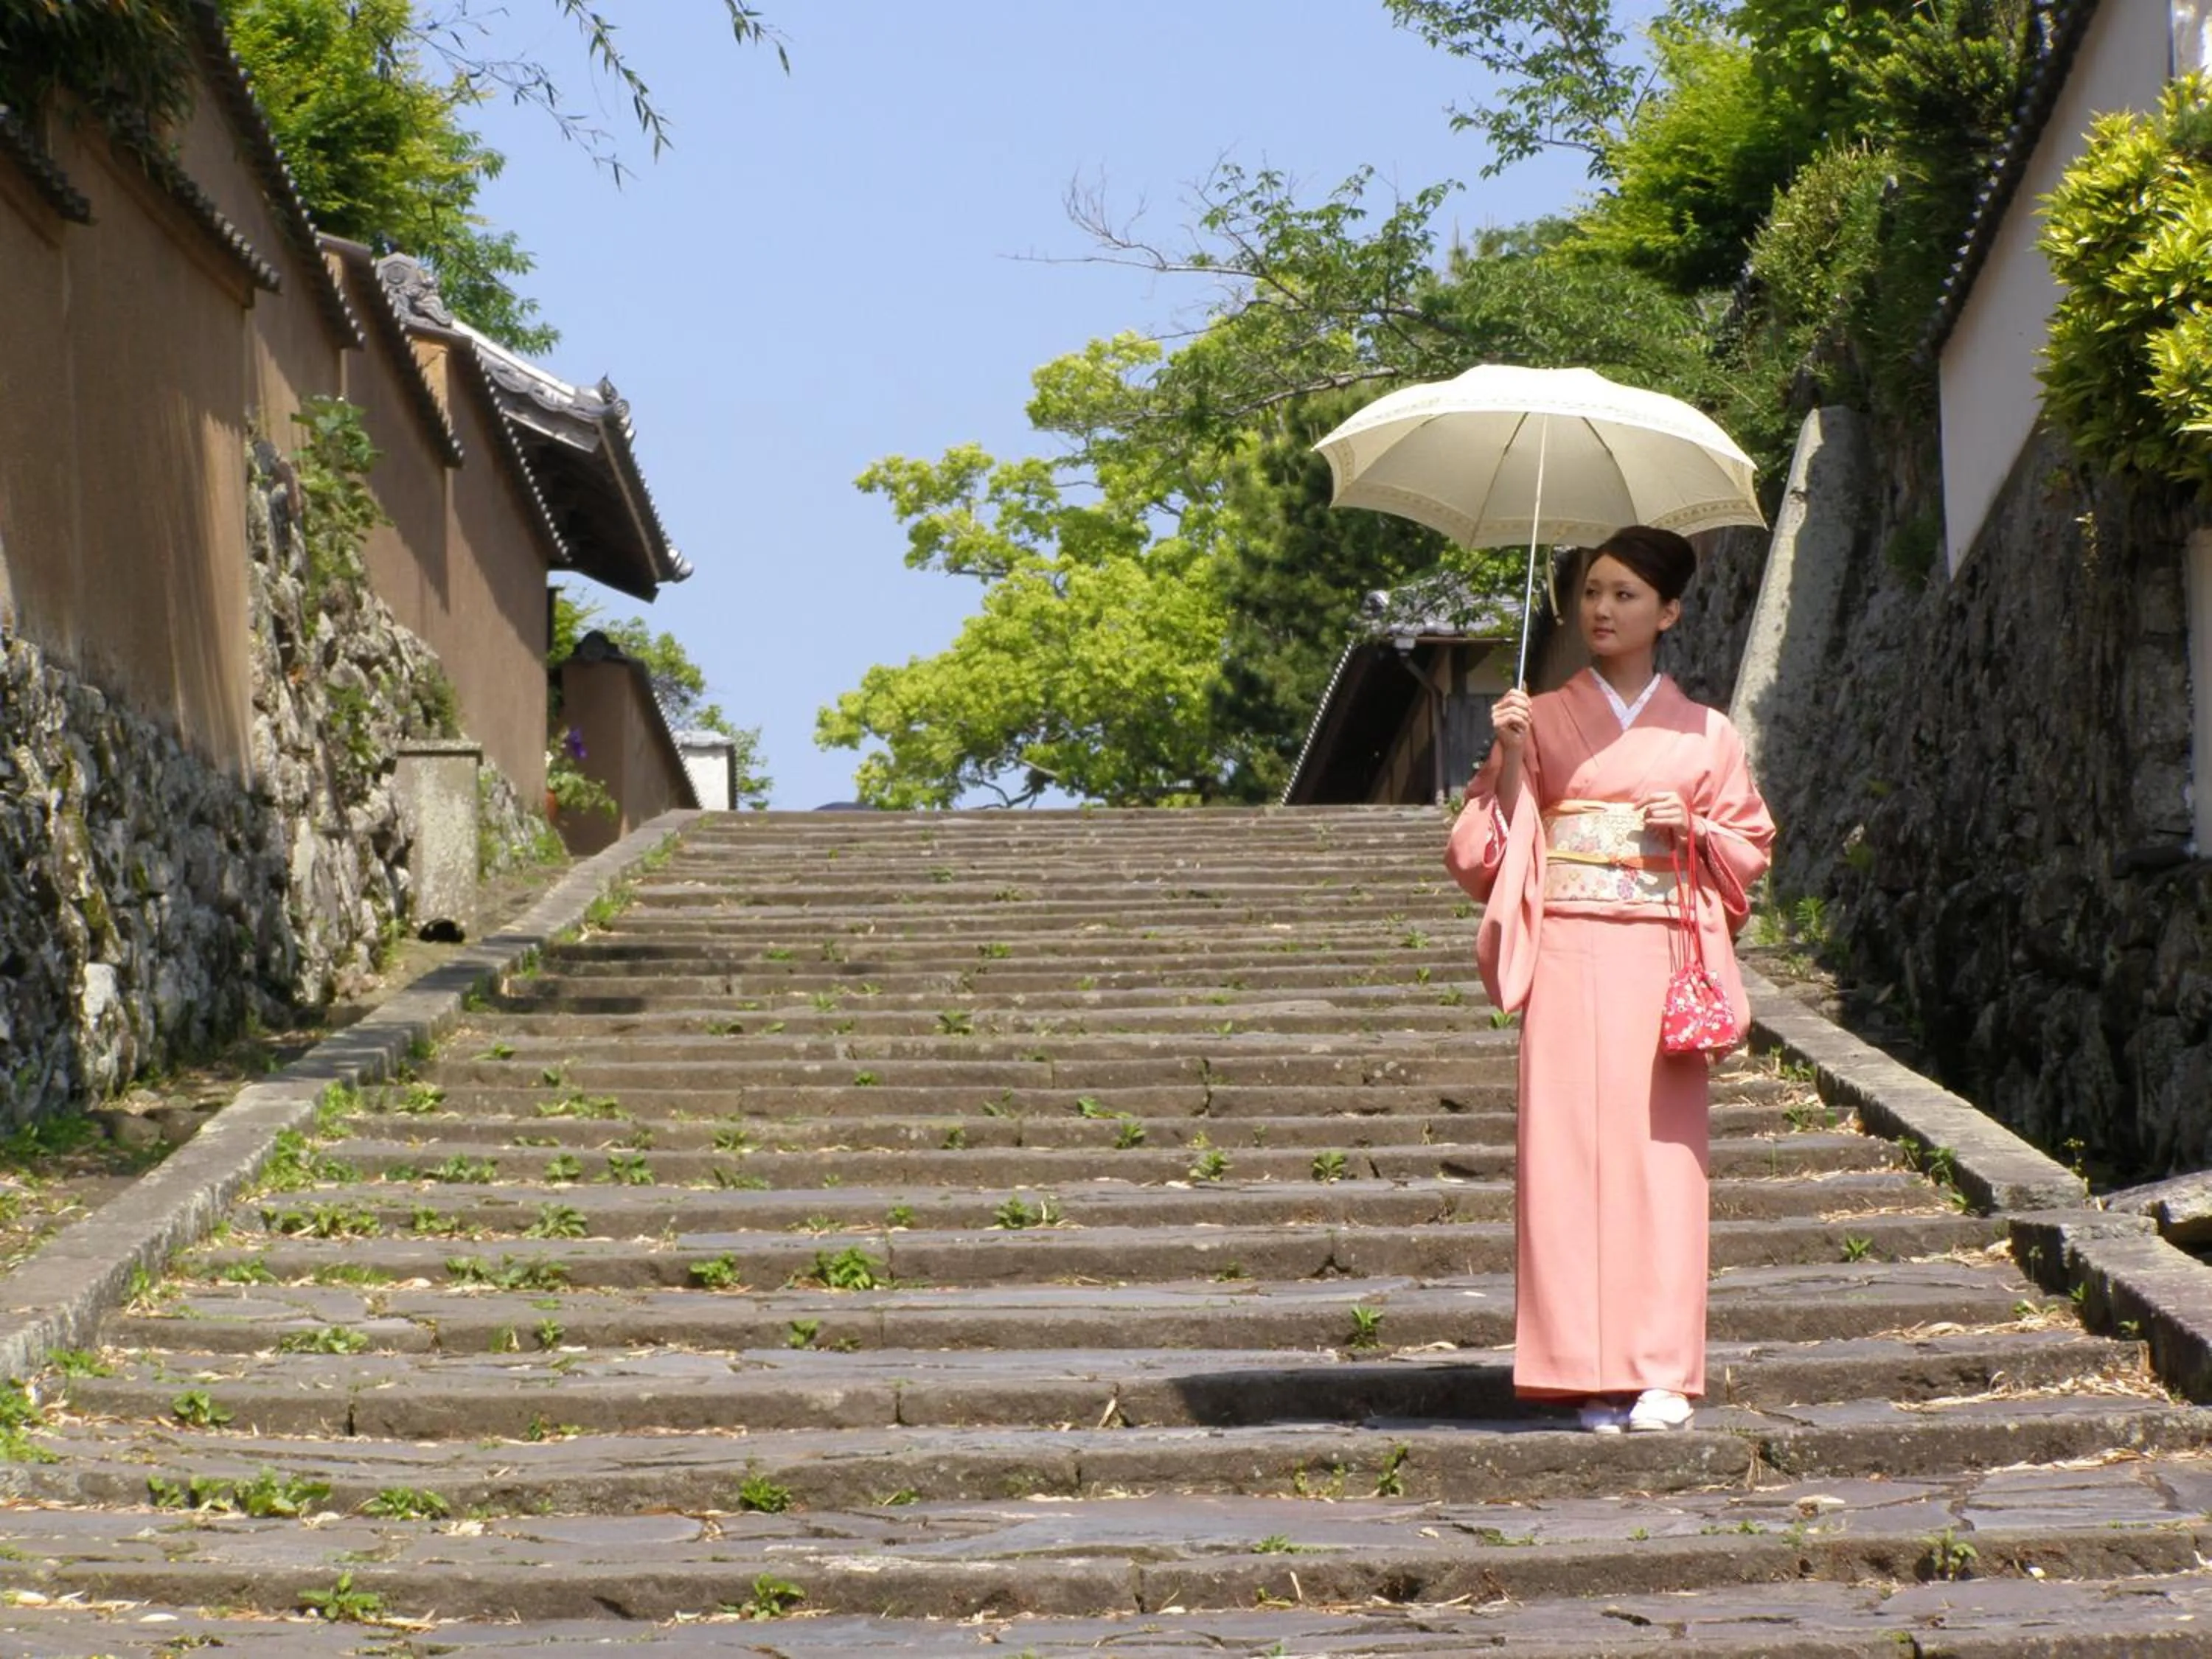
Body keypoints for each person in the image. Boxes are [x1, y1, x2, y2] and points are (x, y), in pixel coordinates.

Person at [1445, 525, 1775, 1435]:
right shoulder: (1541, 716)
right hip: (1567, 950)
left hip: (1661, 958)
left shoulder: (1707, 733)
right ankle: (1583, 1368)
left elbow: (1750, 845)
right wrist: (1510, 760)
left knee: (1663, 1164)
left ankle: (1662, 1367)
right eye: (1592, 591)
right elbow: (1478, 853)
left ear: (1668, 613)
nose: (1601, 609)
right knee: (1566, 1160)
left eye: (1625, 594)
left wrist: (1694, 828)